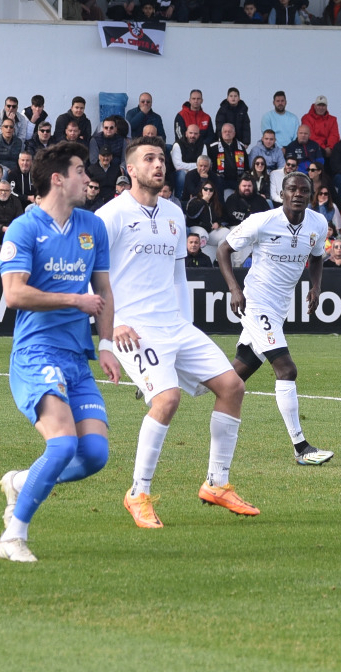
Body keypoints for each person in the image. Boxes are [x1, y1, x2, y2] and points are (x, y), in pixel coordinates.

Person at [98, 137, 259, 529]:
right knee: (167, 400)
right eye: (148, 159)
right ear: (130, 170)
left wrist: (185, 323)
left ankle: (216, 484)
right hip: (133, 328)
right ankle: (138, 493)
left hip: (173, 323)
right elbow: (92, 277)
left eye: (160, 158)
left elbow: (177, 276)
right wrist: (109, 331)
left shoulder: (173, 214)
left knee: (232, 387)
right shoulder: (110, 215)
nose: (158, 165)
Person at [0, 141, 118, 563]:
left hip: (75, 356)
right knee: (63, 446)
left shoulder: (91, 226)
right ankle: (12, 536)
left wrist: (107, 343)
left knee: (95, 456)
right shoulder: (24, 228)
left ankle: (22, 481)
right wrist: (72, 301)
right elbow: (13, 294)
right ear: (59, 179)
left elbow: (102, 289)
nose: (89, 178)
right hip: (35, 353)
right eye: (81, 170)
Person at [215, 171, 334, 466]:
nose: (297, 194)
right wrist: (234, 288)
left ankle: (163, 377)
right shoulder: (262, 221)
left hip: (279, 308)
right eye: (291, 189)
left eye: (303, 190)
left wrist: (316, 286)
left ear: (311, 194)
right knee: (287, 369)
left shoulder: (318, 223)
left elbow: (317, 255)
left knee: (231, 378)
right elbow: (223, 249)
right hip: (256, 304)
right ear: (281, 194)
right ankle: (301, 448)